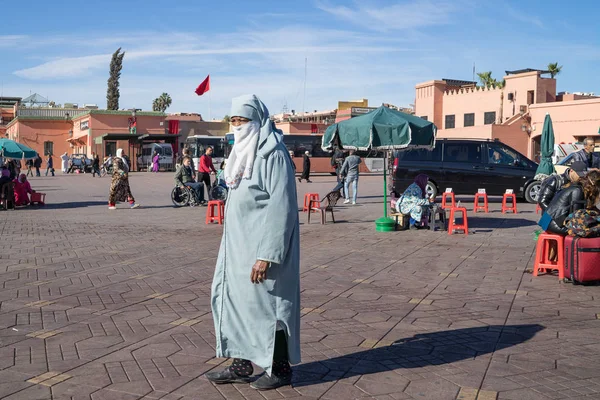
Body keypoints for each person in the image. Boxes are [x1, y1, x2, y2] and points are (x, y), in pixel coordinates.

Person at [206, 94, 300, 391]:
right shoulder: (240, 154)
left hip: (262, 248)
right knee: (235, 303)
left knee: (270, 307)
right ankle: (241, 363)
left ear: (257, 121)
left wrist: (266, 255)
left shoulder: (273, 154)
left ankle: (280, 368)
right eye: (233, 121)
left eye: (242, 121)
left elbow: (280, 206)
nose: (237, 126)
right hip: (236, 248)